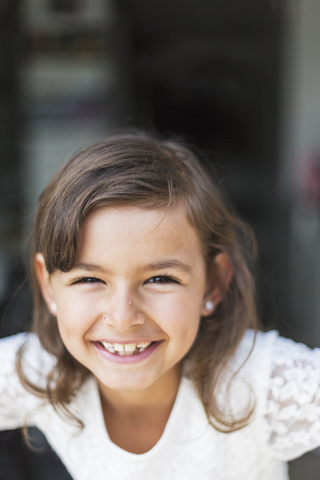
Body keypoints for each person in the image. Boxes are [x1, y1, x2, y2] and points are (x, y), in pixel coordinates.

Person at [1, 131, 320, 480]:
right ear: (48, 287)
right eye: (88, 279)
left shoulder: (264, 384)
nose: (123, 318)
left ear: (212, 284)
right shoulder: (39, 372)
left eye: (160, 279)